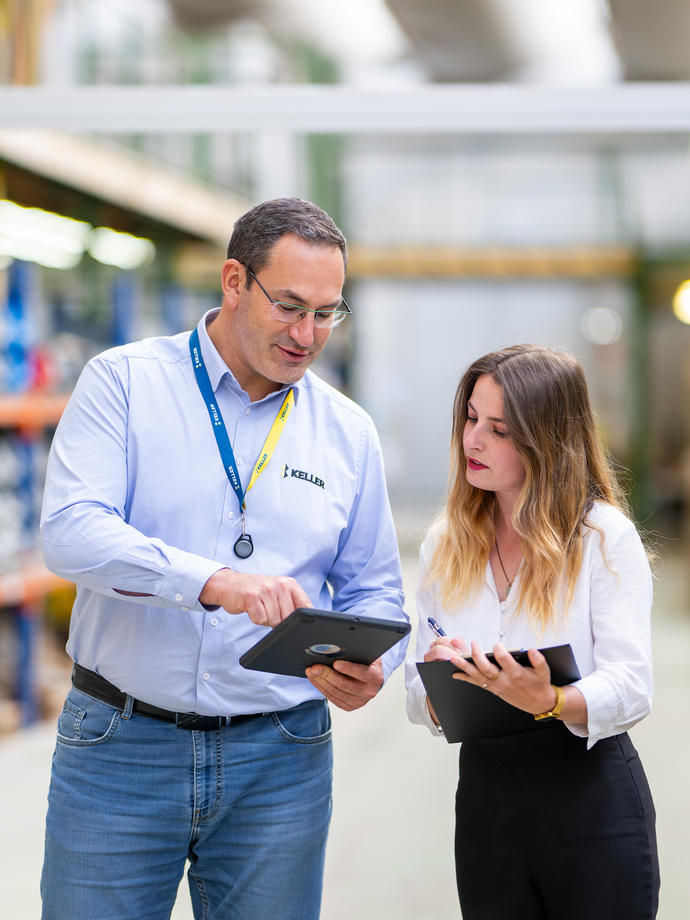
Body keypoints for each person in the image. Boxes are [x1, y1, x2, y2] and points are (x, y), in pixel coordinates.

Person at [40, 197, 408, 920]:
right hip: (120, 744)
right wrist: (211, 582)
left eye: (328, 313)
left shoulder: (347, 432)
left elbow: (376, 591)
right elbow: (72, 531)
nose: (308, 335)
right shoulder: (124, 384)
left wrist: (371, 664)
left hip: (280, 757)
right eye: (290, 306)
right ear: (234, 281)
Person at [405, 344, 659, 919]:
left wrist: (552, 700)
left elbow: (634, 684)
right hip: (487, 802)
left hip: (590, 801)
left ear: (547, 441)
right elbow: (416, 698)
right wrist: (441, 684)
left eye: (498, 429)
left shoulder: (602, 539)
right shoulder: (447, 542)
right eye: (471, 418)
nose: (472, 440)